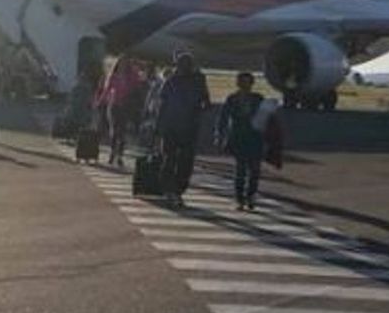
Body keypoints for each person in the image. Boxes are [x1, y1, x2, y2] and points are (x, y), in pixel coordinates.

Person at [156, 52, 210, 207]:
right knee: (176, 160)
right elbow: (206, 103)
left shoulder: (175, 81)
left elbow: (163, 105)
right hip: (180, 126)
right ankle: (173, 190)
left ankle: (173, 190)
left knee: (176, 160)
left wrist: (159, 126)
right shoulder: (177, 82)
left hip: (181, 126)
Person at [216, 72, 268, 210]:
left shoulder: (259, 99)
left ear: (251, 84)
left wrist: (268, 139)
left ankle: (250, 196)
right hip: (239, 137)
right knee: (240, 171)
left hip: (255, 138)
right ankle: (240, 198)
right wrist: (220, 135)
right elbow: (223, 118)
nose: (245, 86)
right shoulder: (232, 99)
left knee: (254, 171)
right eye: (242, 82)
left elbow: (266, 120)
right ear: (238, 84)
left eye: (247, 82)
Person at [98, 57, 146, 167]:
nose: (123, 66)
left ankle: (119, 155)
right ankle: (112, 153)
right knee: (114, 130)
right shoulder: (112, 76)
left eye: (125, 64)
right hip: (114, 106)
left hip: (126, 107)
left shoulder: (131, 77)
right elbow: (106, 90)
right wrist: (100, 102)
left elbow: (138, 87)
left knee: (122, 132)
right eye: (121, 63)